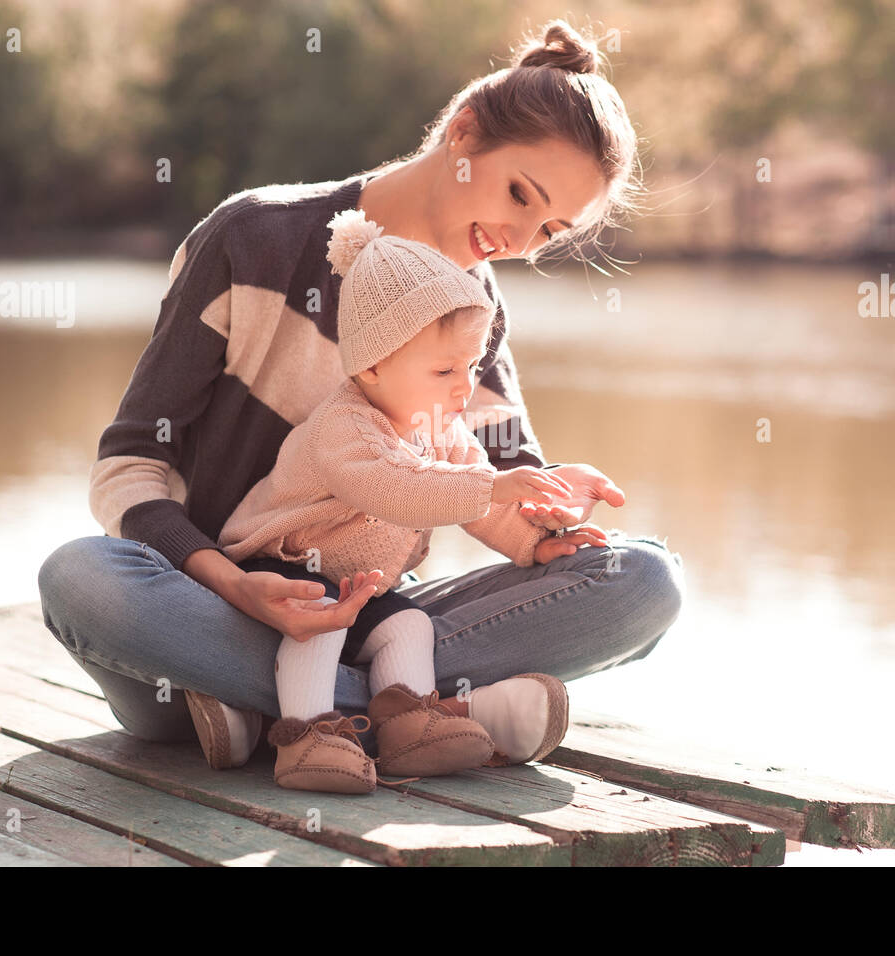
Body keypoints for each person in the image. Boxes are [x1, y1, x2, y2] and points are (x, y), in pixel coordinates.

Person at [36, 19, 686, 773]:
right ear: (464, 132)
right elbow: (129, 465)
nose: (520, 240)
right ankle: (417, 712)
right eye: (519, 195)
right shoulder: (253, 240)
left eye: (551, 230)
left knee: (642, 580)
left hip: (369, 612)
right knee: (81, 579)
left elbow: (503, 482)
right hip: (205, 608)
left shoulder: (478, 313)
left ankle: (284, 713)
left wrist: (555, 516)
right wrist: (235, 584)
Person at [204, 207, 601, 793]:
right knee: (320, 621)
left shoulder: (437, 423)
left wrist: (535, 542)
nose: (465, 386)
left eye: (470, 365)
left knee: (409, 626)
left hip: (361, 586)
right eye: (444, 369)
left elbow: (477, 498)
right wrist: (493, 484)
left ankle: (409, 724)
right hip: (282, 573)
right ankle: (308, 735)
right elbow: (401, 489)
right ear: (371, 366)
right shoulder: (344, 427)